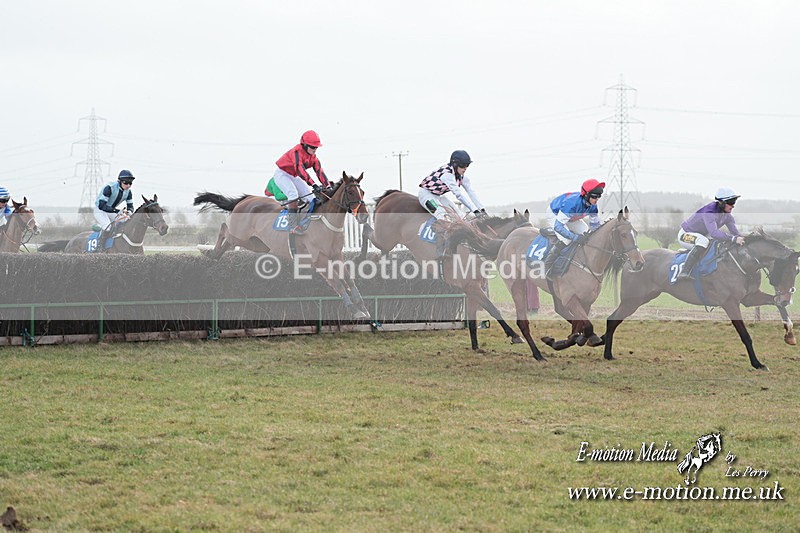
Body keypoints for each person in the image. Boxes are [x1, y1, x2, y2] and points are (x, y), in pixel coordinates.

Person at [418, 150, 487, 257]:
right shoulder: (447, 175)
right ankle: (440, 249)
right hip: (426, 195)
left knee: (460, 216)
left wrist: (481, 209)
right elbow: (459, 195)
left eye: (467, 165)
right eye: (463, 165)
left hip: (439, 196)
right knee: (442, 215)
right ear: (455, 164)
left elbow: (470, 192)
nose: (465, 168)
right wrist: (475, 211)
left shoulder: (462, 177)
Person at [675, 187, 744, 282]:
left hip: (701, 235)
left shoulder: (728, 216)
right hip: (685, 235)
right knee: (703, 241)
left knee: (714, 243)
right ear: (721, 203)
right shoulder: (709, 212)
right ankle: (684, 272)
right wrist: (733, 239)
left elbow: (736, 234)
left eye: (734, 202)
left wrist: (747, 238)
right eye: (731, 202)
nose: (733, 206)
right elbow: (714, 233)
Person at [271, 130, 330, 234]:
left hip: (294, 176)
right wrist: (314, 184)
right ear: (304, 145)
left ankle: (307, 222)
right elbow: (300, 170)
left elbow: (319, 172)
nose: (315, 149)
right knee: (293, 194)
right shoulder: (296, 152)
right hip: (282, 174)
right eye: (312, 147)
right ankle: (292, 226)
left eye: (316, 147)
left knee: (312, 199)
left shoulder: (314, 158)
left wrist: (328, 186)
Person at [543, 178, 604, 278]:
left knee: (587, 235)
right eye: (594, 196)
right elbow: (558, 226)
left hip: (571, 217)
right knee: (567, 239)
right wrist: (575, 237)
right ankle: (547, 266)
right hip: (555, 214)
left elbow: (595, 225)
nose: (597, 199)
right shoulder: (572, 203)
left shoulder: (593, 205)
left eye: (599, 196)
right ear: (586, 195)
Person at [95, 170, 136, 242]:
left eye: (130, 183)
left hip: (111, 211)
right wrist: (117, 211)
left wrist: (129, 212)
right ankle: (100, 246)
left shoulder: (128, 192)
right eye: (126, 182)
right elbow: (102, 206)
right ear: (120, 181)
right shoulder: (110, 188)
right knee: (107, 227)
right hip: (100, 210)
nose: (128, 185)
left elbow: (130, 206)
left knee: (126, 221)